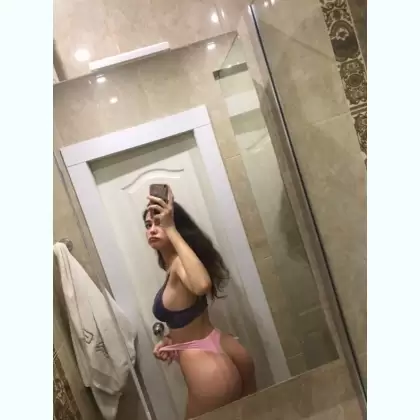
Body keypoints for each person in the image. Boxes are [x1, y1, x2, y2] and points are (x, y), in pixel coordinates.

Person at [144, 186, 256, 419]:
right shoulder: (179, 263)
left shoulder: (179, 263)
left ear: (174, 224)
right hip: (222, 346)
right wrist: (170, 341)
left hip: (207, 367)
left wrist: (170, 228)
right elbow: (187, 316)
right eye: (148, 225)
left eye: (158, 222)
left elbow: (202, 284)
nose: (152, 229)